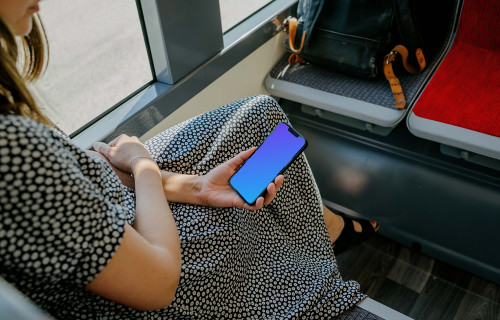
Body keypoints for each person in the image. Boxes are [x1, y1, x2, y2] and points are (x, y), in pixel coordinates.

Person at [0, 1, 379, 319]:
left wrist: (195, 187)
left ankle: (323, 231)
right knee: (247, 209)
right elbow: (158, 283)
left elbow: (71, 194)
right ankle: (323, 244)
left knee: (259, 117)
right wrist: (143, 166)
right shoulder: (13, 148)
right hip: (147, 264)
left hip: (116, 199)